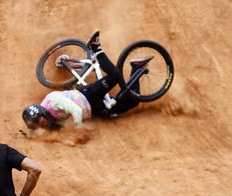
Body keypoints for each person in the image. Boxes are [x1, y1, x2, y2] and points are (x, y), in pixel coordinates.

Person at [22, 30, 153, 130]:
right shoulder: (48, 120)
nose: (41, 124)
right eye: (37, 124)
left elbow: (76, 111)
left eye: (39, 120)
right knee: (133, 101)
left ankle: (95, 47)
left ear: (41, 113)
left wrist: (79, 129)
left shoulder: (53, 102)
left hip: (88, 95)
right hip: (94, 109)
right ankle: (137, 68)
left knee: (115, 75)